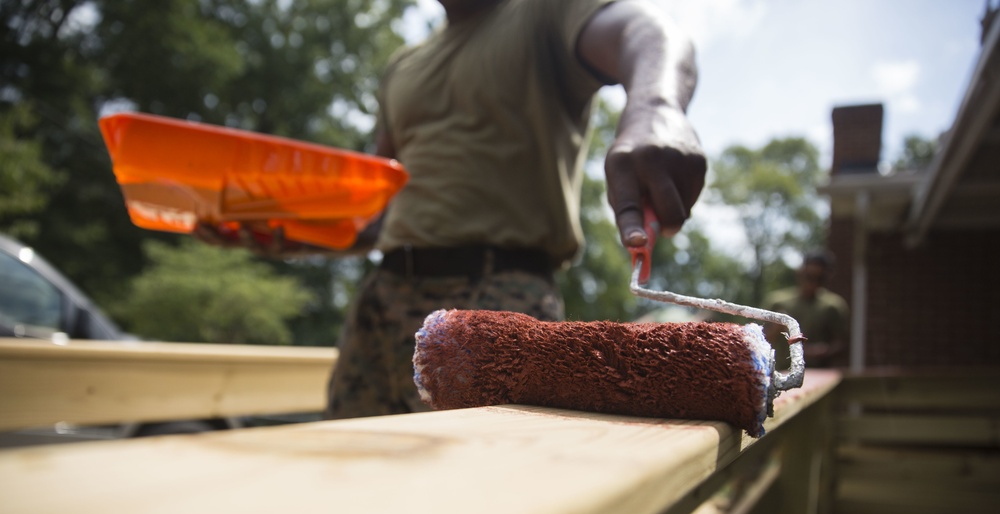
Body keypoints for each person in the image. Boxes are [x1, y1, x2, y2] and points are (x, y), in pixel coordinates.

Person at [318, 0, 707, 418]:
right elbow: (378, 205)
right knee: (345, 470)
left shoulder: (543, 15)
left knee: (486, 474)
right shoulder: (402, 66)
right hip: (383, 296)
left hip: (498, 296)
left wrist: (656, 107)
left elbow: (647, 32)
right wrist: (299, 230)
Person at [764, 250, 850, 370]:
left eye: (819, 279)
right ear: (800, 273)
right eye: (809, 277)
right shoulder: (778, 302)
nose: (812, 283)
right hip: (781, 372)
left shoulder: (834, 306)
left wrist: (824, 351)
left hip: (817, 374)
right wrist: (776, 328)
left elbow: (844, 344)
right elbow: (760, 340)